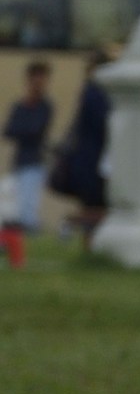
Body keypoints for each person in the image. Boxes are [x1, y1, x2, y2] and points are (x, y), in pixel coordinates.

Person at [51, 46, 113, 249]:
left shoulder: (90, 91)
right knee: (99, 208)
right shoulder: (97, 93)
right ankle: (71, 222)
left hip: (87, 161)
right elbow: (105, 125)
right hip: (93, 162)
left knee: (94, 208)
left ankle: (88, 246)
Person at [4, 59, 52, 269]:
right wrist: (25, 130)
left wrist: (23, 130)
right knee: (14, 205)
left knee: (28, 207)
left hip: (35, 161)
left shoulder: (45, 106)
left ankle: (21, 249)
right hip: (19, 161)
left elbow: (34, 131)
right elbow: (9, 130)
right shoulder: (20, 105)